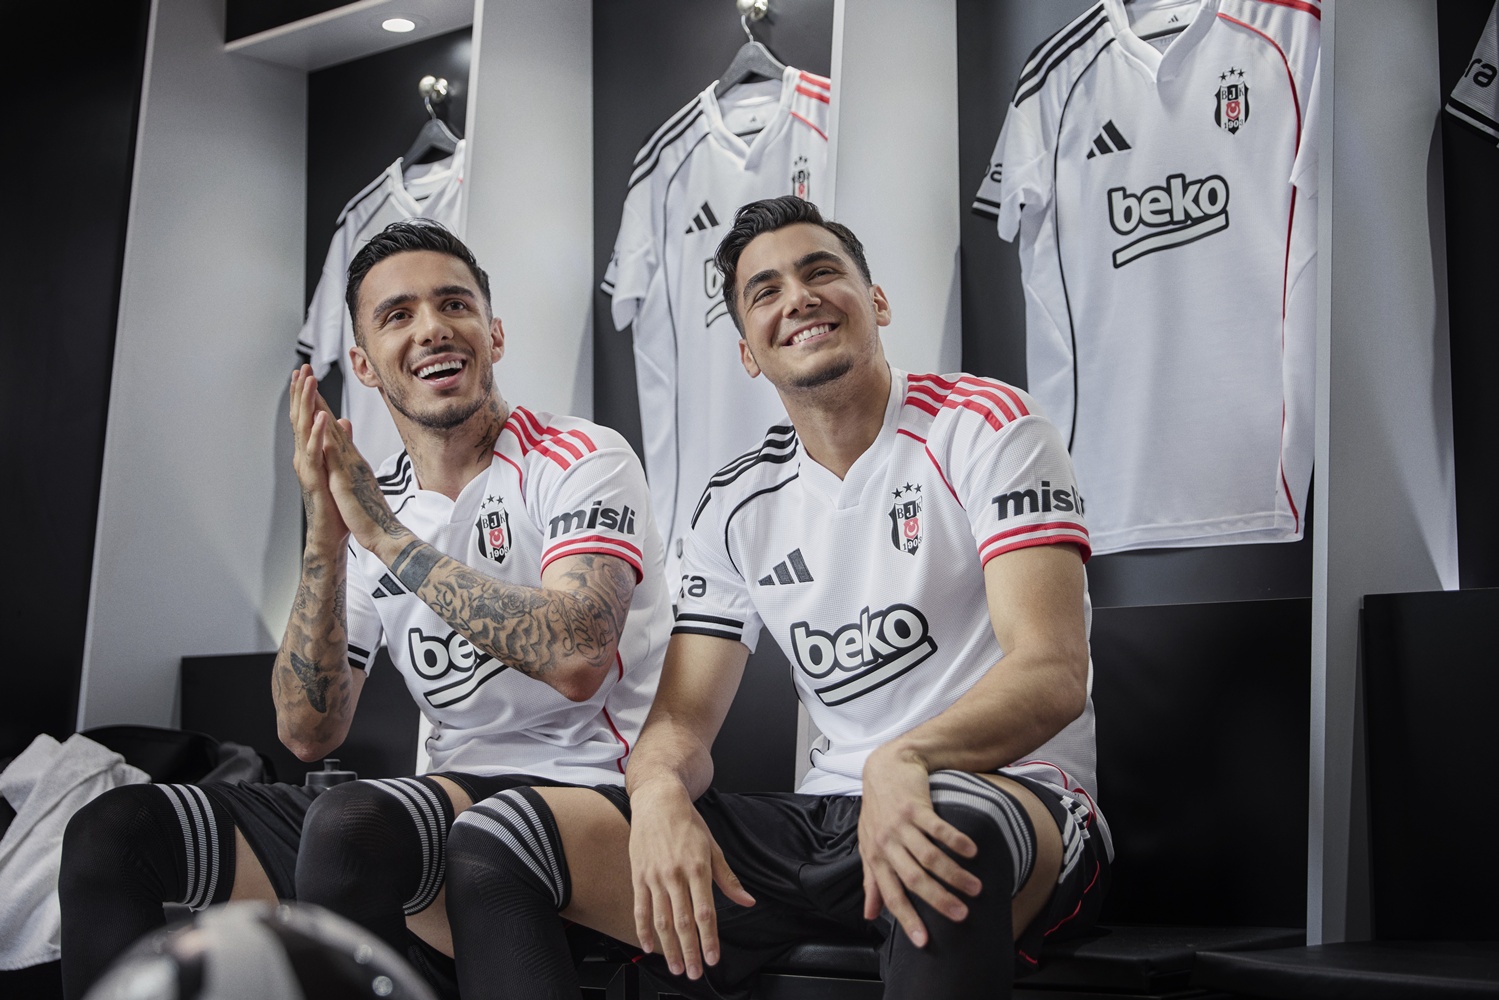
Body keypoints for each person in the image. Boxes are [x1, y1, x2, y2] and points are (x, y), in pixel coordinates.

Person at [444, 195, 1112, 1000]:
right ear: (748, 353)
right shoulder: (735, 499)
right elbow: (681, 723)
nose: (797, 298)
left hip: (1010, 795)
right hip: (828, 821)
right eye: (765, 291)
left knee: (944, 830)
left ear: (876, 302)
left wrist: (908, 757)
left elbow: (1050, 670)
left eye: (820, 272)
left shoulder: (987, 426)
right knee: (497, 839)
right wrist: (655, 793)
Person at [58, 220, 671, 999]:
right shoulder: (373, 503)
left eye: (455, 304)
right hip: (435, 810)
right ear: (362, 364)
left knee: (352, 825)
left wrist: (382, 535)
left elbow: (579, 657)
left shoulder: (580, 457)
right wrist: (326, 536)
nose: (432, 328)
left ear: (494, 334)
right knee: (112, 832)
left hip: (588, 799)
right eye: (397, 315)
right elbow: (308, 732)